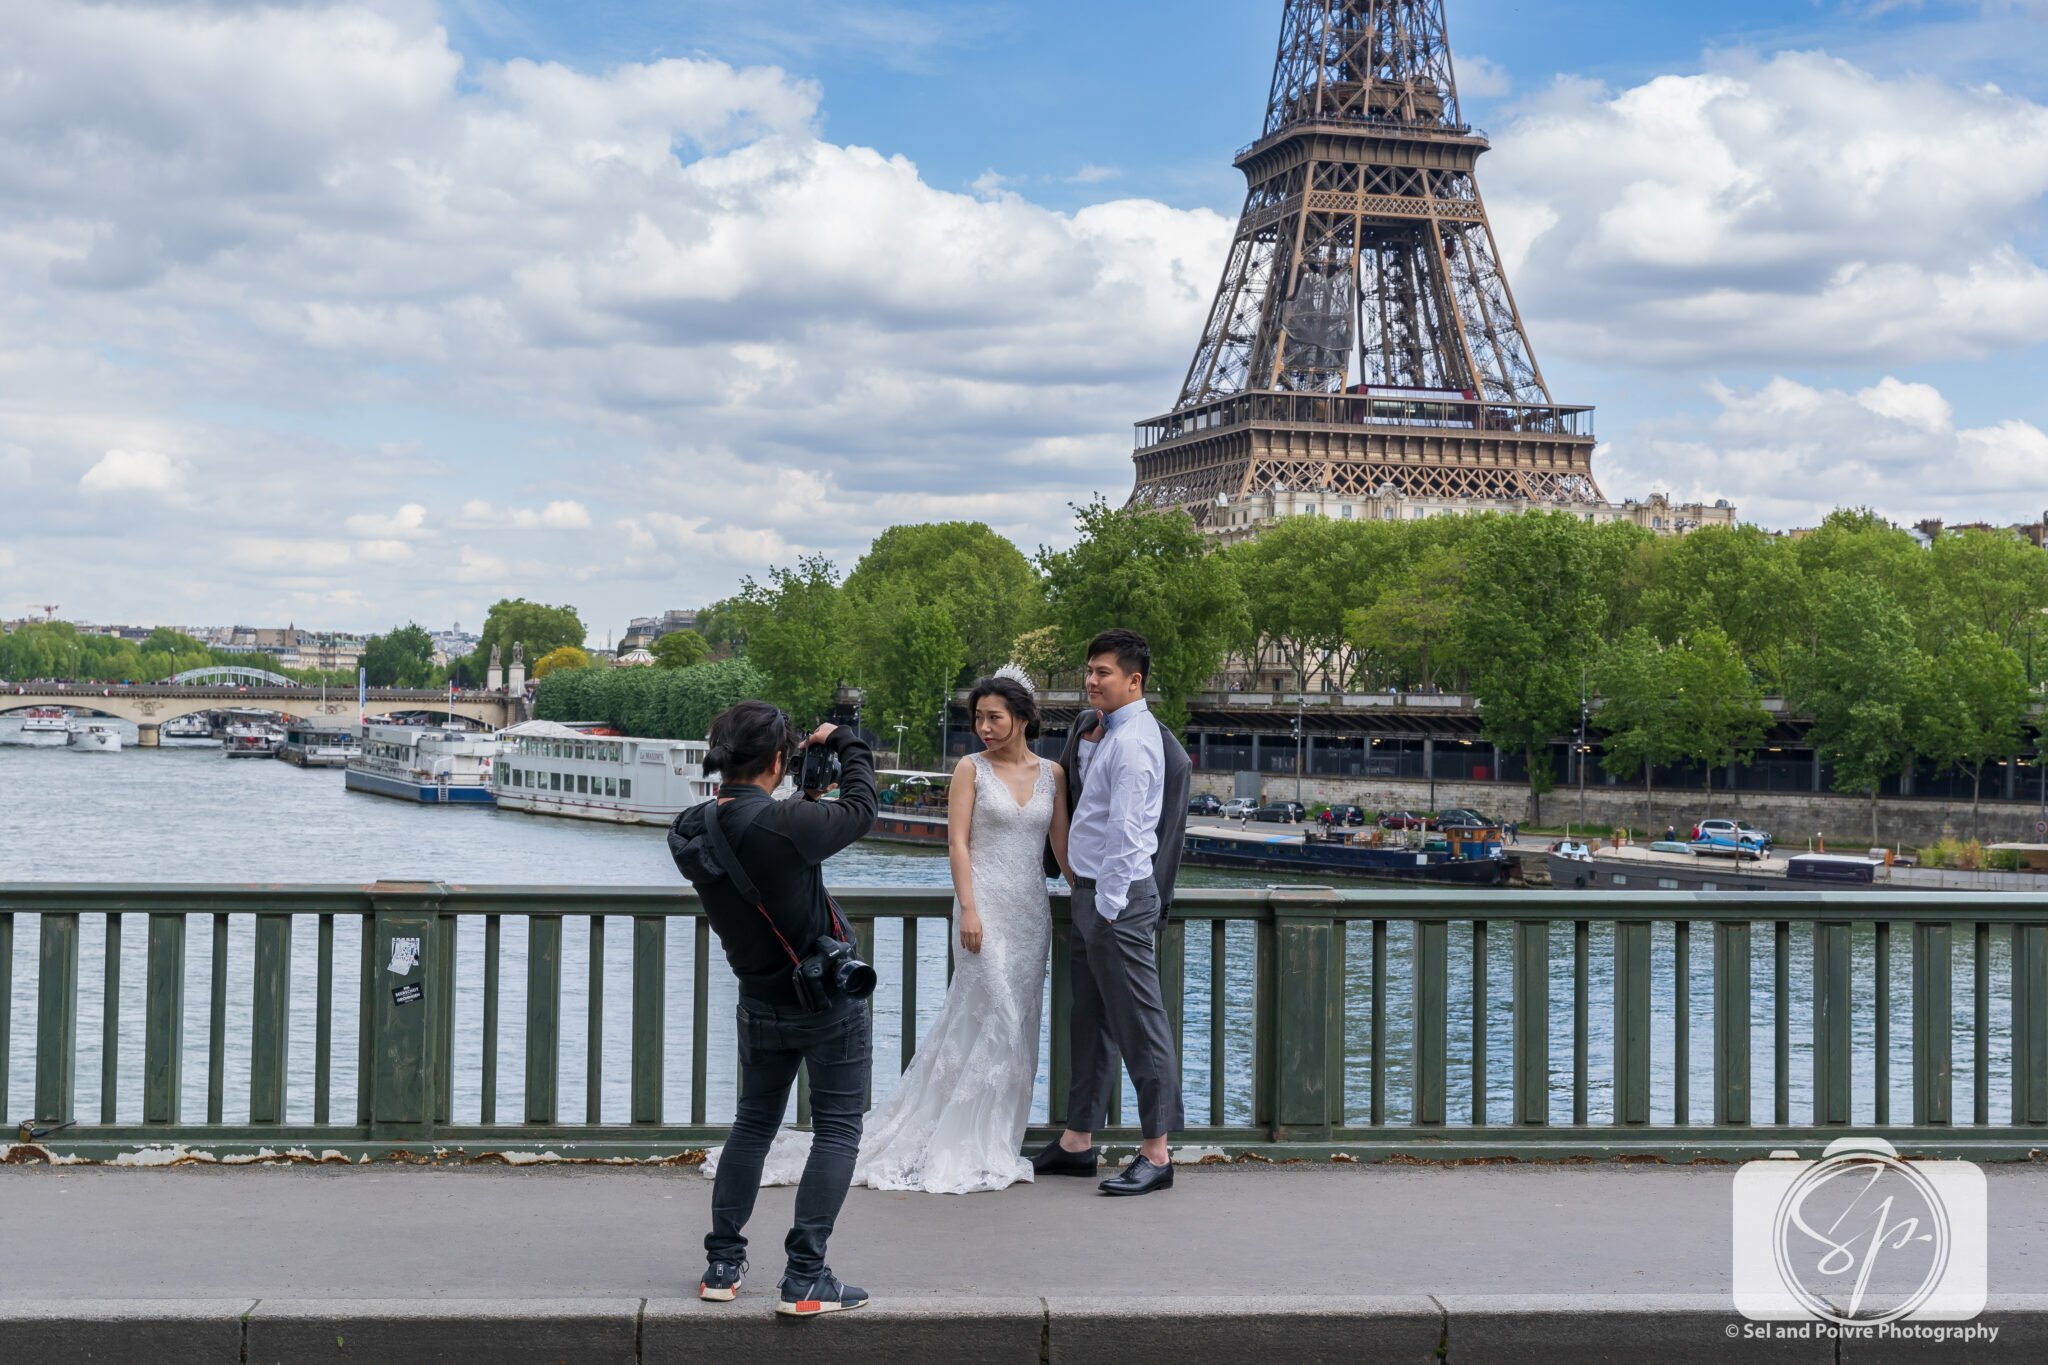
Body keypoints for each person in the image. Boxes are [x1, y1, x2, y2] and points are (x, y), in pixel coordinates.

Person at [701, 669, 1072, 1194]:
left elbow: (1058, 850)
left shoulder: (1053, 774)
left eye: (995, 718)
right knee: (990, 1015)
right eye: (979, 718)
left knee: (1019, 1023)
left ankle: (995, 1140)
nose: (985, 727)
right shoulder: (970, 769)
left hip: (1030, 913)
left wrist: (1091, 888)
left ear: (1024, 719)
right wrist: (968, 907)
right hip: (982, 907)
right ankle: (956, 1139)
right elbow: (958, 844)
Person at [667, 701, 878, 1317]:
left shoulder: (691, 827)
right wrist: (848, 743)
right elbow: (862, 808)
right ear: (779, 760)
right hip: (826, 1001)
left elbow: (755, 825)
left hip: (758, 998)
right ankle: (806, 1277)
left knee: (753, 1125)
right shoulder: (790, 824)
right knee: (837, 1128)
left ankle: (722, 1265)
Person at [1032, 629, 1191, 1196]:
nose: (1091, 681)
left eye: (1102, 672)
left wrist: (1105, 905)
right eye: (1090, 671)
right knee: (1091, 1020)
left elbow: (1128, 834)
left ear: (1134, 680)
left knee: (1140, 1026)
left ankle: (1157, 1153)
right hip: (1095, 893)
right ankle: (1078, 1141)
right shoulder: (1105, 733)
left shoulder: (1136, 742)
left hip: (1114, 898)